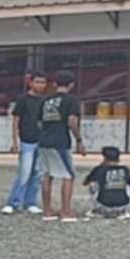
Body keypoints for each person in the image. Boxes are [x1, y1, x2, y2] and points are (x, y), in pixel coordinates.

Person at [38, 71, 85, 221]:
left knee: (47, 175)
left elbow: (39, 123)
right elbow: (72, 121)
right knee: (68, 176)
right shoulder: (71, 100)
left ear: (55, 84)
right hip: (60, 141)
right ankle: (66, 211)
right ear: (71, 85)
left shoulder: (45, 101)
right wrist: (79, 140)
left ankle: (47, 210)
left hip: (44, 140)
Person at [1, 72, 48, 215]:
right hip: (27, 140)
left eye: (43, 82)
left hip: (42, 141)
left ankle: (30, 202)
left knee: (37, 174)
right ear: (31, 83)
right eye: (37, 82)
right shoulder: (23, 99)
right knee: (24, 173)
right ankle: (13, 202)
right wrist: (15, 141)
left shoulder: (45, 101)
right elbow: (16, 120)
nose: (40, 85)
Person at [84, 146, 130, 218]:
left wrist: (100, 166)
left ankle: (99, 211)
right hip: (122, 205)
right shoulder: (125, 169)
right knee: (127, 184)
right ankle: (122, 212)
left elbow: (85, 182)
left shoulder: (99, 169)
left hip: (104, 205)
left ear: (105, 158)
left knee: (93, 183)